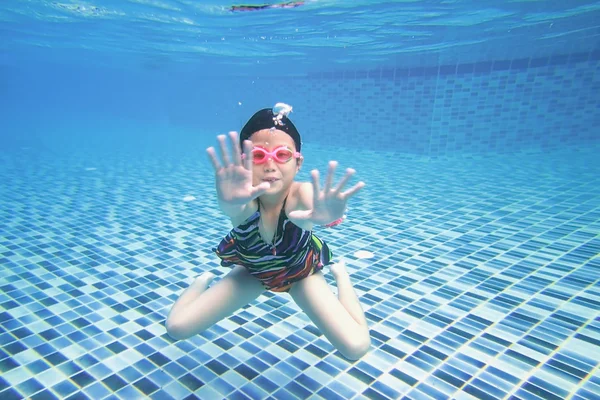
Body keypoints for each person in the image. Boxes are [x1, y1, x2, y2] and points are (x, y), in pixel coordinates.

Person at [165, 104, 370, 360]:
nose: (270, 165)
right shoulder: (243, 199)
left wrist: (327, 215)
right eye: (258, 156)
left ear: (297, 163)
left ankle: (342, 277)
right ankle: (200, 281)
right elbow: (233, 206)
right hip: (253, 272)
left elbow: (310, 204)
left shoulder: (299, 193)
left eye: (282, 155)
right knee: (177, 328)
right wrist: (226, 201)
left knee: (356, 347)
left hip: (300, 273)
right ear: (243, 163)